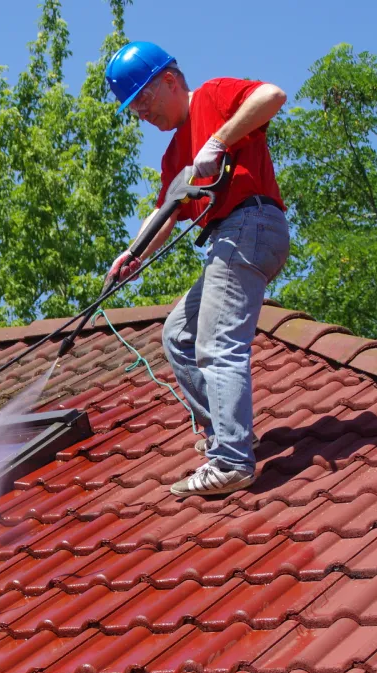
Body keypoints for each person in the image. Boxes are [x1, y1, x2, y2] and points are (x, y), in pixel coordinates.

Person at [102, 41, 291, 497]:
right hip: (232, 236)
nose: (141, 114)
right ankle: (227, 437)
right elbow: (167, 211)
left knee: (216, 342)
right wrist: (134, 253)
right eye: (133, 109)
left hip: (251, 223)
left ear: (169, 81)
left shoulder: (212, 96)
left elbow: (273, 95)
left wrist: (219, 140)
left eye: (143, 100)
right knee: (178, 337)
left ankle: (231, 460)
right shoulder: (173, 156)